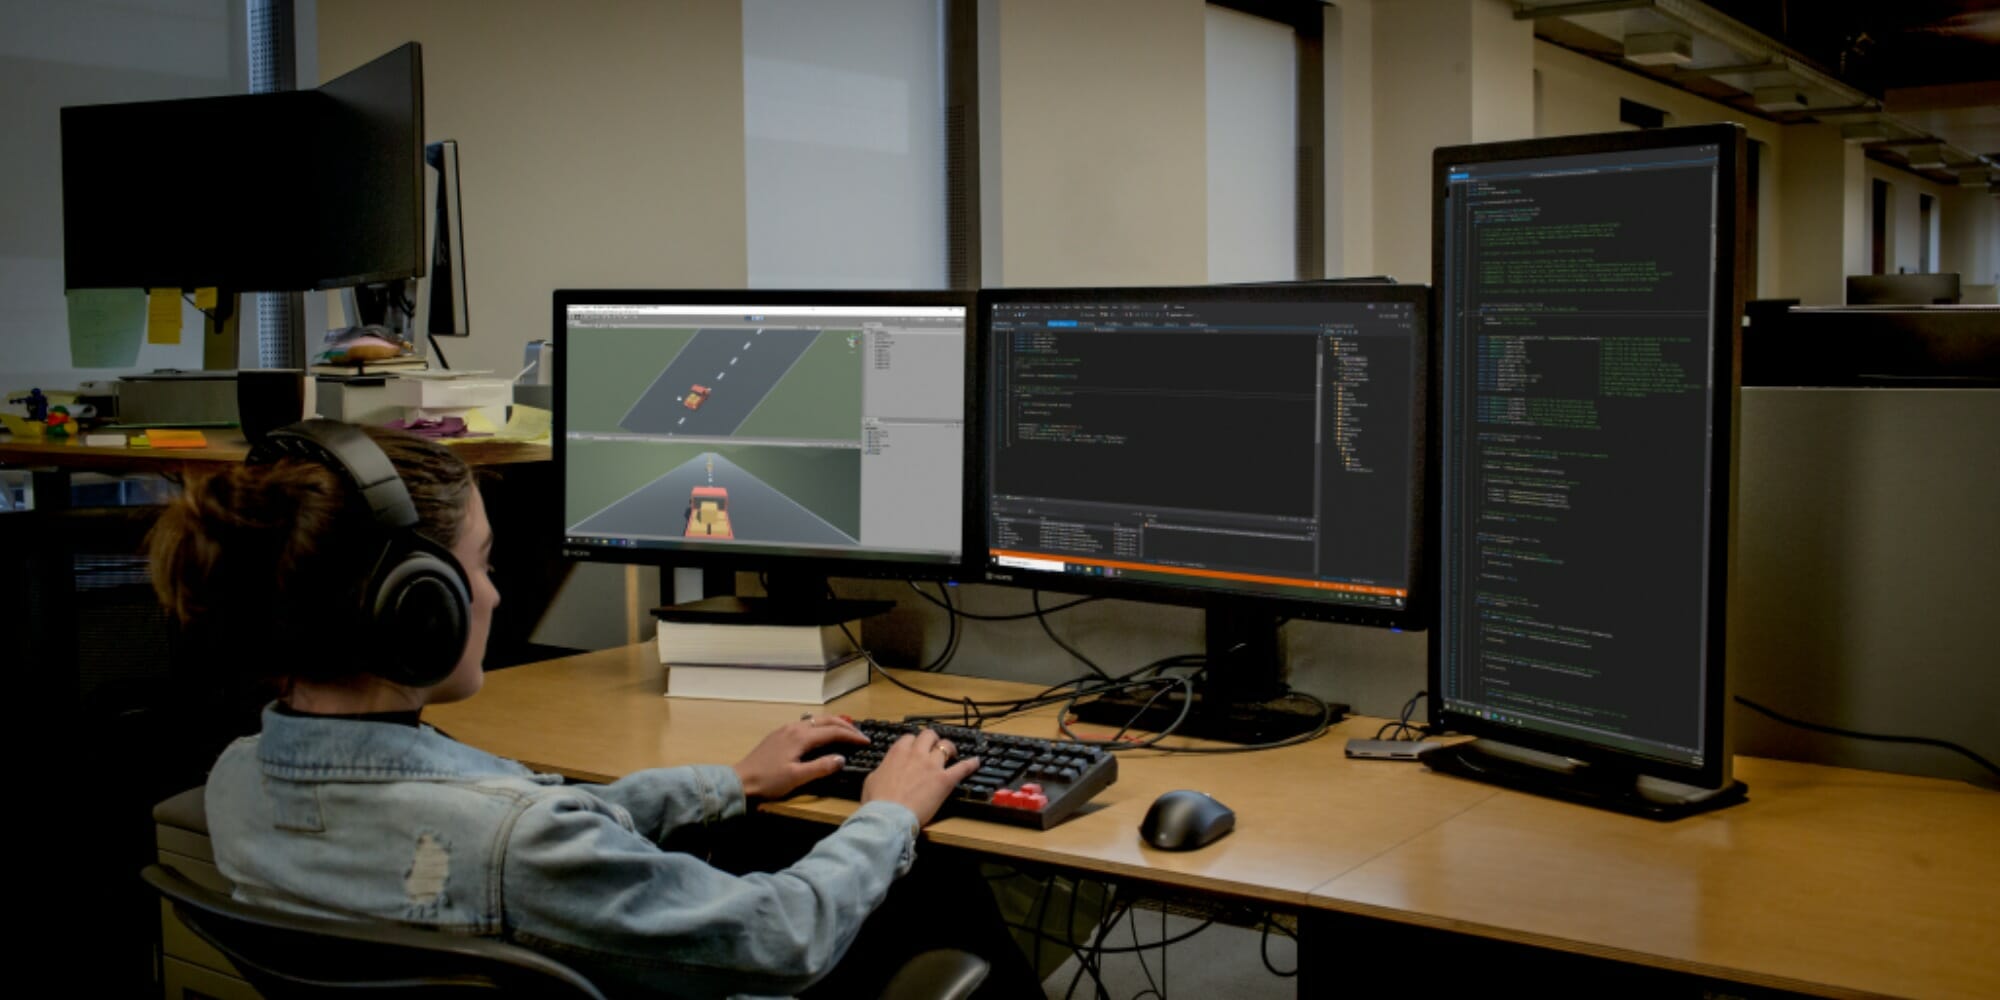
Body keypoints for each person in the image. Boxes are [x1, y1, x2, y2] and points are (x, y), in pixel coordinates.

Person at [148, 421, 1038, 999]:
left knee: (774, 834)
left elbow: (518, 824)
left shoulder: (236, 779)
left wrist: (727, 781)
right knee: (933, 889)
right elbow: (785, 935)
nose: (495, 596)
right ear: (418, 608)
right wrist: (888, 814)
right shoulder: (522, 842)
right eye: (483, 566)